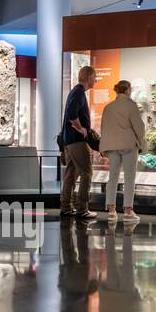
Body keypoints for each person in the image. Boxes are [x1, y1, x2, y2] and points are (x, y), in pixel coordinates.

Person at [97, 79, 144, 223]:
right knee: (129, 177)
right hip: (129, 145)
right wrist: (140, 142)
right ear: (128, 90)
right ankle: (128, 211)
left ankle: (111, 210)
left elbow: (104, 127)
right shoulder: (131, 105)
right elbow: (139, 127)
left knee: (113, 176)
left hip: (112, 146)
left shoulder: (108, 107)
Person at [60, 65, 97, 219]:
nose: (95, 81)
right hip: (76, 141)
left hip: (69, 141)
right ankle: (82, 208)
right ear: (89, 77)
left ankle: (66, 206)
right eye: (94, 77)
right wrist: (81, 128)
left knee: (71, 174)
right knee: (87, 173)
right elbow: (71, 114)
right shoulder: (79, 92)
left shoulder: (76, 92)